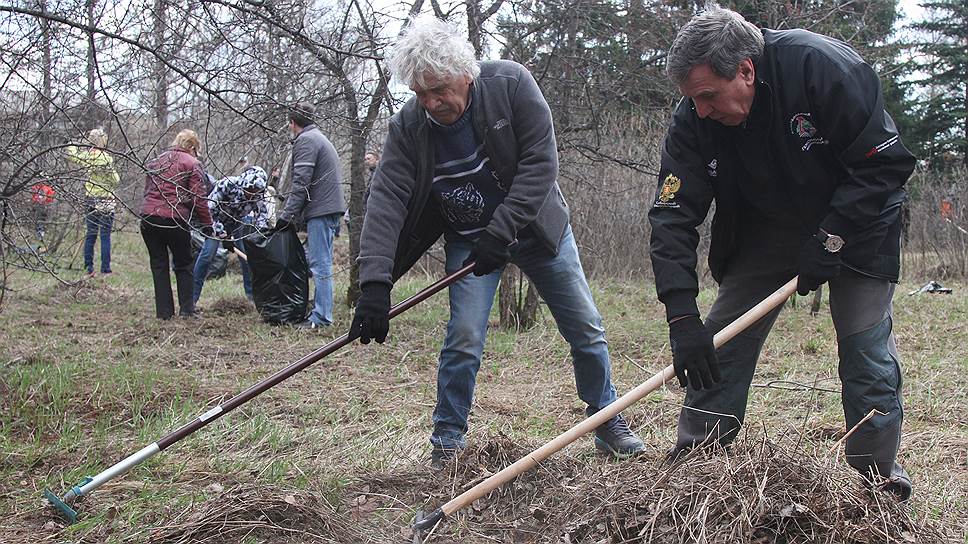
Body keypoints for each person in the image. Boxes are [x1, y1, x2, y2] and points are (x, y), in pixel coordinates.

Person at [351, 18, 644, 469]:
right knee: (464, 337)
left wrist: (502, 229)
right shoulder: (409, 126)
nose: (431, 102)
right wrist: (374, 283)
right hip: (470, 242)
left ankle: (607, 421)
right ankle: (447, 443)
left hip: (537, 230)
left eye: (439, 89)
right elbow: (386, 199)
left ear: (466, 74)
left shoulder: (510, 84)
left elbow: (540, 165)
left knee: (585, 327)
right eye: (420, 93)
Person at [648, 6, 914, 499]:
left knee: (866, 352)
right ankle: (696, 474)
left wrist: (831, 237)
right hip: (765, 231)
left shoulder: (821, 67)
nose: (701, 110)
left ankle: (877, 484)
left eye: (708, 95)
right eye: (693, 99)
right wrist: (682, 315)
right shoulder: (694, 118)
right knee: (718, 345)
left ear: (745, 70)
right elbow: (672, 214)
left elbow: (885, 165)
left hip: (858, 223)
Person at [275, 103, 346, 329]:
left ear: (292, 123)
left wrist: (286, 216)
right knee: (314, 260)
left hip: (322, 210)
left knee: (320, 263)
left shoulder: (306, 140)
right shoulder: (318, 137)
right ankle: (318, 308)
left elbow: (301, 183)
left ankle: (322, 317)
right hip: (328, 208)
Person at [140, 129, 214, 320]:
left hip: (149, 218)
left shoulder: (156, 161)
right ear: (192, 147)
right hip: (174, 219)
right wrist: (208, 225)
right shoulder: (192, 163)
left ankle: (164, 313)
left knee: (159, 265)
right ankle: (187, 311)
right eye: (196, 149)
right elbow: (199, 198)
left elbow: (148, 190)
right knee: (184, 264)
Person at [193, 166, 270, 304]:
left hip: (238, 221)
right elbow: (208, 210)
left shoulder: (258, 196)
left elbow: (262, 218)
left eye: (256, 192)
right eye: (250, 190)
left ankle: (252, 298)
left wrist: (260, 239)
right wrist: (221, 233)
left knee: (247, 258)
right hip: (215, 220)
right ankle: (191, 299)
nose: (252, 194)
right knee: (207, 255)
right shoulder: (227, 184)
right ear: (245, 184)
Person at [67, 128, 120, 277]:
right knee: (105, 235)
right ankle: (105, 268)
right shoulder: (106, 158)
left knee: (90, 233)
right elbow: (116, 180)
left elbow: (73, 155)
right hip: (106, 199)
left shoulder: (87, 156)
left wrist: (72, 143)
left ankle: (89, 267)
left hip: (90, 198)